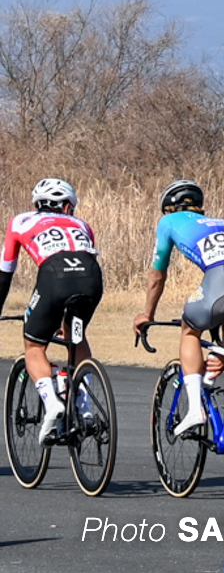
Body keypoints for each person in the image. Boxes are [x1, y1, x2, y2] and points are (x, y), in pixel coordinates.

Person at [133, 179, 224, 435]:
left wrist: (147, 314)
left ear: (168, 209)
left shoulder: (168, 222)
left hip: (222, 281)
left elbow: (157, 276)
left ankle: (195, 408)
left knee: (190, 328)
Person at [0, 179, 102, 440]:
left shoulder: (20, 222)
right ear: (67, 207)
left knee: (34, 346)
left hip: (54, 276)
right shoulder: (82, 225)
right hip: (91, 277)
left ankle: (52, 402)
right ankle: (84, 407)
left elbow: (4, 274)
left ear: (37, 205)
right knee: (76, 336)